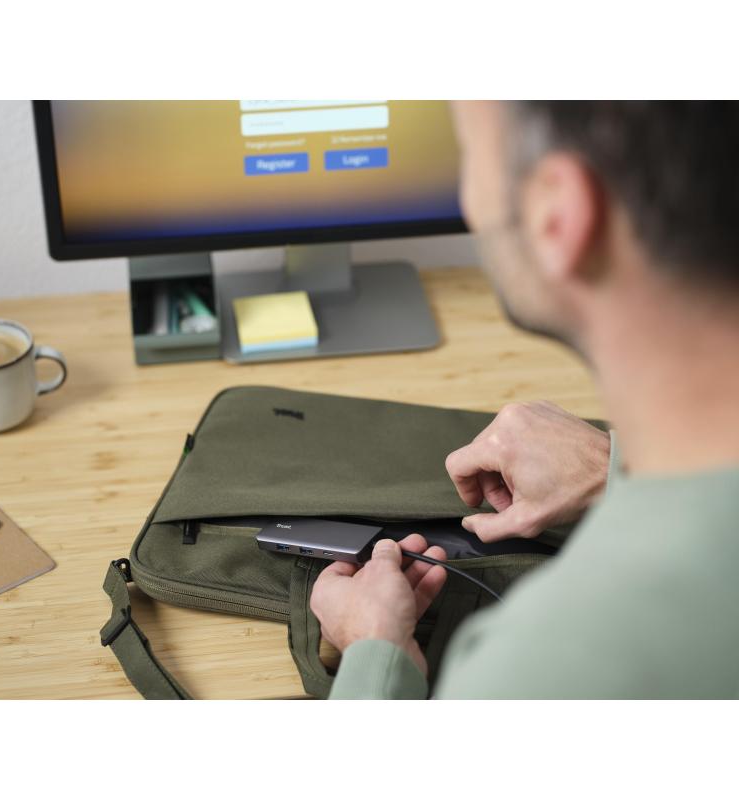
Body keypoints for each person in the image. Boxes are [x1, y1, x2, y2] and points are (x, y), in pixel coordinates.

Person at [310, 101, 739, 699]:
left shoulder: (546, 665)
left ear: (557, 215)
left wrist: (374, 652)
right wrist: (608, 465)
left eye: (470, 155)